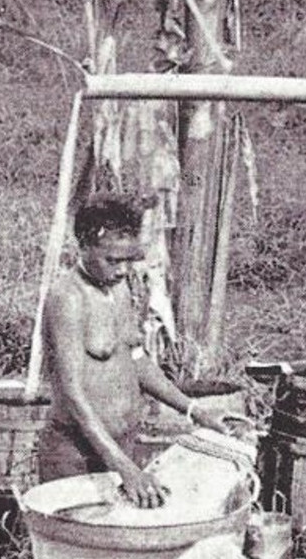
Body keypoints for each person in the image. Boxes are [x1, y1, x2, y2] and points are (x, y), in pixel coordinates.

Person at [37, 192, 225, 507]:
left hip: (121, 446)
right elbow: (71, 395)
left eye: (129, 259)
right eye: (112, 260)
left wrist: (195, 411)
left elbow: (137, 360)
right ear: (84, 246)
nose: (123, 269)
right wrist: (124, 467)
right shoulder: (68, 299)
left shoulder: (119, 288)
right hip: (77, 455)